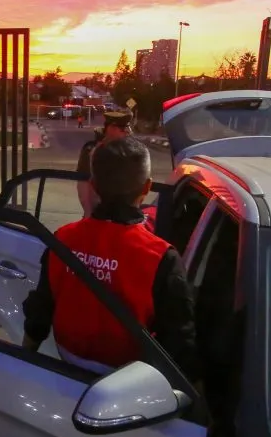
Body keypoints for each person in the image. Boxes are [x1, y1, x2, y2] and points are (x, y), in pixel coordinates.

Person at [22, 136, 200, 381]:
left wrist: (21, 361)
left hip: (66, 365)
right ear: (147, 188)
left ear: (93, 185)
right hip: (129, 378)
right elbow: (180, 341)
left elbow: (39, 310)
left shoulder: (62, 238)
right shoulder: (161, 256)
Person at [76, 110, 133, 217]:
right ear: (112, 129)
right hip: (98, 214)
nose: (128, 132)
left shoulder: (125, 148)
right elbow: (83, 184)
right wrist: (89, 214)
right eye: (124, 129)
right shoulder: (91, 150)